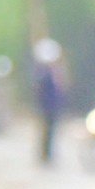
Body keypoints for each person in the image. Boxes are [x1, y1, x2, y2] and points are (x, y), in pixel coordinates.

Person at [30, 37, 69, 167]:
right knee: (47, 130)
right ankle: (45, 154)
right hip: (47, 106)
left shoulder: (52, 71)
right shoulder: (43, 72)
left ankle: (47, 154)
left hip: (53, 105)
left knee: (51, 130)